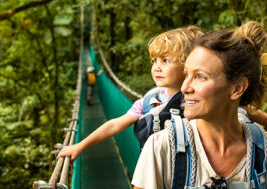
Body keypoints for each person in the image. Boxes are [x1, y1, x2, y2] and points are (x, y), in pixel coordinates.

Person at [48, 21, 267, 189]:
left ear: (237, 89)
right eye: (186, 74)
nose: (185, 87)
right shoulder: (164, 147)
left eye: (200, 77)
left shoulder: (260, 148)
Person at [58, 25, 203, 162]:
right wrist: (80, 145)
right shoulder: (150, 102)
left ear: (187, 65)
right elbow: (114, 125)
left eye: (165, 61)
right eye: (154, 61)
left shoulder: (201, 101)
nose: (156, 68)